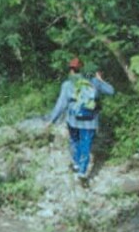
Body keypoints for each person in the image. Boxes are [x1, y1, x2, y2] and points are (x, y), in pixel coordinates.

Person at [44, 57, 115, 185]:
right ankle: (82, 172)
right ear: (82, 69)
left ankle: (76, 164)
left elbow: (61, 104)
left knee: (74, 140)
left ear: (71, 70)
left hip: (73, 118)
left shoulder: (67, 84)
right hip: (90, 120)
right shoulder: (94, 82)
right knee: (86, 144)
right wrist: (100, 80)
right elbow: (111, 91)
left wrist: (51, 120)